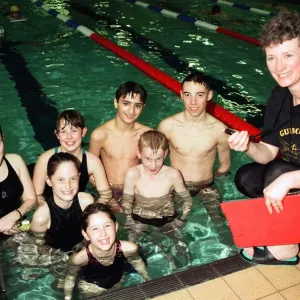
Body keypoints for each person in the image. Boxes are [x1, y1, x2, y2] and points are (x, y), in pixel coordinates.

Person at [227, 11, 300, 265]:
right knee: (246, 177)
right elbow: (267, 152)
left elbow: (279, 168)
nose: (279, 67)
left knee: (279, 172)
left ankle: (287, 246)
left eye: (288, 55)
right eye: (272, 58)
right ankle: (287, 224)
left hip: (295, 176)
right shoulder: (279, 97)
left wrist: (289, 179)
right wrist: (248, 146)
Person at [158, 72, 231, 226]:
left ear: (209, 95)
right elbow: (154, 161)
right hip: (177, 186)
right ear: (181, 95)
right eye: (187, 95)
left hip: (207, 185)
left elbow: (225, 165)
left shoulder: (219, 129)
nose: (193, 102)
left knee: (221, 224)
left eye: (199, 95)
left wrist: (213, 180)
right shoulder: (167, 126)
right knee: (169, 226)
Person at [64, 203, 150, 299]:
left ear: (116, 227)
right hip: (91, 288)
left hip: (118, 282)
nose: (103, 233)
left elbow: (137, 261)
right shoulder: (80, 258)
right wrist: (67, 297)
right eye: (95, 228)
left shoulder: (129, 248)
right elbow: (71, 276)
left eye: (107, 226)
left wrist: (147, 278)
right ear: (86, 235)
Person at [89, 82, 152, 211]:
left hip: (134, 190)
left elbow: (154, 167)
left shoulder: (146, 135)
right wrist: (108, 196)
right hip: (106, 189)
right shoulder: (100, 135)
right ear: (116, 102)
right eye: (126, 103)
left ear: (143, 107)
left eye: (137, 106)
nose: (131, 111)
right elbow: (90, 171)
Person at [33, 110, 112, 205]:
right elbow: (37, 195)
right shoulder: (45, 159)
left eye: (74, 131)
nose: (69, 137)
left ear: (83, 132)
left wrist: (92, 211)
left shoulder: (93, 162)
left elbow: (106, 194)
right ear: (57, 134)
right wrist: (49, 210)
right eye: (63, 132)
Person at [122, 130, 193, 233]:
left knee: (180, 247)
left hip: (167, 217)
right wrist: (129, 219)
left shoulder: (173, 175)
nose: (153, 165)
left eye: (158, 159)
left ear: (165, 154)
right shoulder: (133, 174)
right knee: (133, 246)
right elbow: (127, 201)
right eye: (148, 159)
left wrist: (181, 220)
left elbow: (187, 200)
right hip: (140, 216)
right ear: (139, 153)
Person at [30, 152, 94, 252]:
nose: (68, 186)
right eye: (61, 180)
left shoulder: (86, 202)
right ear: (49, 181)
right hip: (57, 259)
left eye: (73, 178)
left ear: (79, 177)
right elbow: (37, 249)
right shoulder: (42, 217)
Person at [0, 125, 36, 236]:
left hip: (21, 224)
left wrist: (14, 216)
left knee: (44, 251)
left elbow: (31, 199)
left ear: (3, 138)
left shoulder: (15, 161)